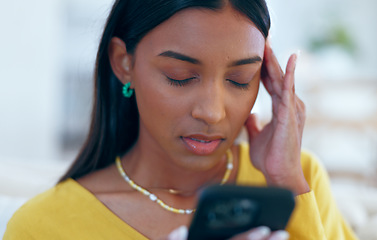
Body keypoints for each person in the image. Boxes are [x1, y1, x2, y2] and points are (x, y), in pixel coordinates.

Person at [4, 0, 357, 239]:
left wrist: (287, 184)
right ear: (123, 62)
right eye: (180, 76)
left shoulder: (299, 179)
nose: (212, 112)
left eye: (239, 80)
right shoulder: (44, 226)